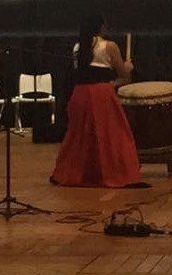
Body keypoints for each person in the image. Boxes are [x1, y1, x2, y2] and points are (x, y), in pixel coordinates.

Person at [51, 13, 140, 187]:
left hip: (80, 94)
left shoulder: (78, 47)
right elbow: (123, 74)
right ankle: (112, 172)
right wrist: (127, 66)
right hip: (101, 95)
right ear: (100, 27)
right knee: (110, 135)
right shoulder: (109, 46)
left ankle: (79, 173)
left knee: (80, 136)